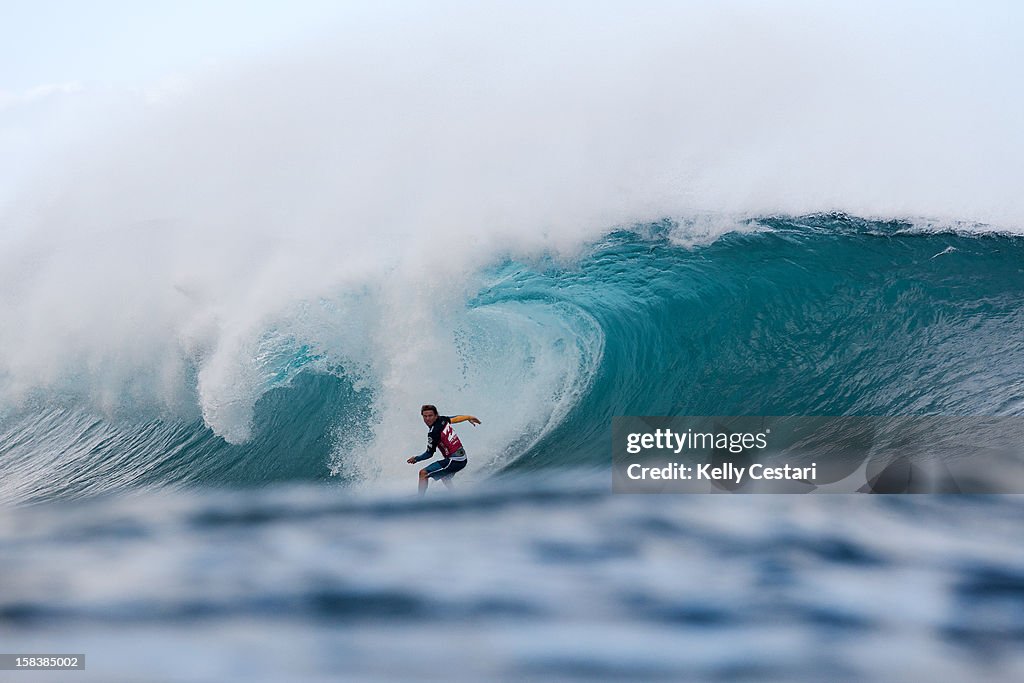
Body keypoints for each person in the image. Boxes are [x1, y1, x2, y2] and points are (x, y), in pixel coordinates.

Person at [406, 404, 481, 495]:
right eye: (425, 416)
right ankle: (454, 494)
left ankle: (419, 501)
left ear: (436, 415)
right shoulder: (442, 420)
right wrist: (468, 417)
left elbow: (429, 454)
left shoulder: (433, 433)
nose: (427, 419)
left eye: (430, 416)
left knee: (423, 473)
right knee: (445, 477)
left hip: (455, 461)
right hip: (461, 457)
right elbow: (455, 418)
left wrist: (416, 458)